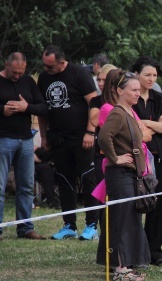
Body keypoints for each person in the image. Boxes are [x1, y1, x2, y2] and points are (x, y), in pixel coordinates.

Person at [37, 45, 100, 240]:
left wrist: (90, 131)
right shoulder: (44, 78)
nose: (46, 69)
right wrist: (44, 136)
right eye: (44, 65)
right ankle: (69, 225)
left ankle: (91, 226)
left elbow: (94, 103)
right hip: (58, 139)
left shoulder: (79, 74)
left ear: (62, 62)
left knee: (88, 180)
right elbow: (43, 110)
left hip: (82, 138)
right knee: (65, 180)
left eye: (50, 66)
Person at [97, 71, 150, 281]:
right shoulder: (118, 113)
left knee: (130, 219)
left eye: (139, 90)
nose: (138, 93)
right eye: (134, 90)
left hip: (129, 175)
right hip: (119, 175)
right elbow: (103, 137)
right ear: (120, 91)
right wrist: (115, 158)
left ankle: (126, 265)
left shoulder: (129, 112)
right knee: (122, 220)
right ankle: (121, 269)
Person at [0, 52, 48, 240]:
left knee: (26, 186)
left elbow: (43, 107)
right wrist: (2, 110)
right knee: (1, 186)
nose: (17, 76)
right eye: (14, 72)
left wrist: (26, 108)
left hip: (26, 140)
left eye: (21, 72)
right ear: (6, 64)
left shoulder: (28, 82)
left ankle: (26, 227)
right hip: (3, 139)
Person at [132, 56, 162, 266]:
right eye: (147, 74)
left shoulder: (158, 97)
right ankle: (136, 250)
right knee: (137, 201)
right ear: (137, 75)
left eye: (154, 75)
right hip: (137, 156)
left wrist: (149, 123)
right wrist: (156, 123)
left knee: (157, 203)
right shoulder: (131, 97)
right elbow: (134, 127)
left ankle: (155, 251)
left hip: (158, 155)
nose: (151, 79)